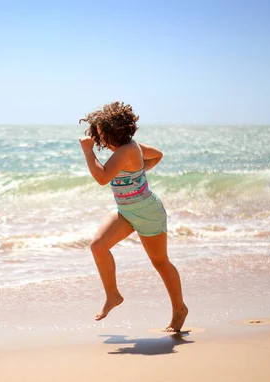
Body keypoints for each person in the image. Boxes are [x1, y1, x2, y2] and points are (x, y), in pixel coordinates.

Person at [78, 101, 188, 332]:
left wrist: (88, 152)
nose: (100, 143)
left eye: (101, 137)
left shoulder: (127, 150)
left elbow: (102, 178)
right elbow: (157, 155)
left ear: (114, 133)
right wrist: (136, 171)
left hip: (147, 212)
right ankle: (113, 295)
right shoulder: (130, 149)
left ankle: (179, 309)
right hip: (125, 211)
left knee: (160, 262)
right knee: (98, 246)